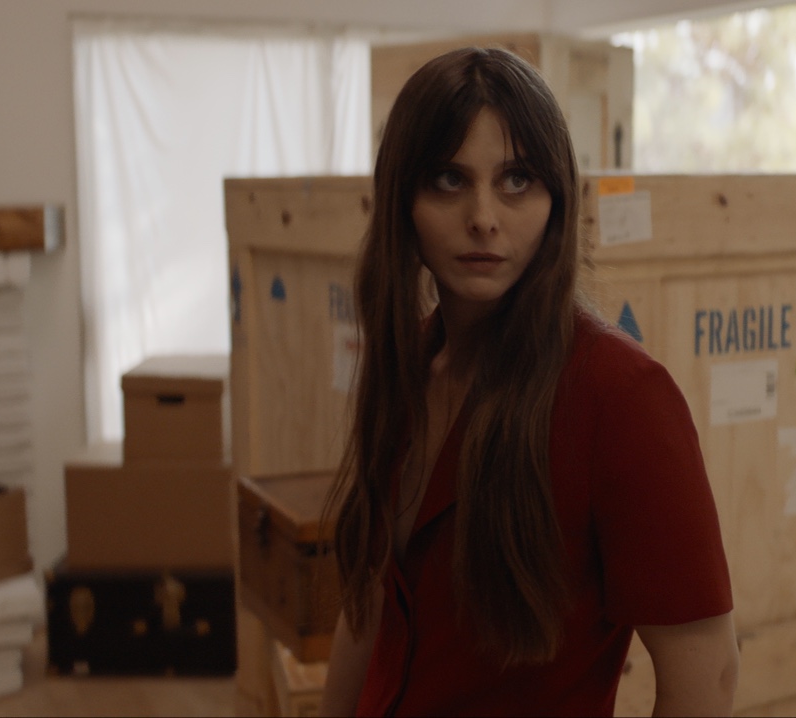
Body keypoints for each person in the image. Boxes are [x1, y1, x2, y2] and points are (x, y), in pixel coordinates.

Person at [320, 46, 737, 717]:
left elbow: (706, 677)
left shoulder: (622, 398)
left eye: (516, 180)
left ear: (556, 201)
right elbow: (369, 603)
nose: (483, 216)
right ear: (402, 202)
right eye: (448, 179)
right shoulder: (407, 361)